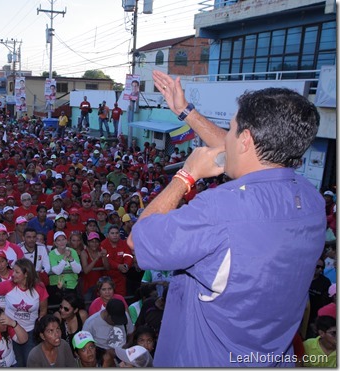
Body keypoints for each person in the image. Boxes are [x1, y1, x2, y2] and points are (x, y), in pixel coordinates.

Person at [129, 70, 324, 366]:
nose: (226, 137)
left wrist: (186, 175)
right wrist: (185, 112)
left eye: (231, 129)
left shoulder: (219, 210)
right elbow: (248, 156)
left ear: (245, 139)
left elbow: (138, 239)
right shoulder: (312, 200)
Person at [0, 258, 48, 367]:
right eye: (13, 271)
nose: (12, 274)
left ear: (26, 274)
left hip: (31, 330)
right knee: (17, 362)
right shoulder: (9, 285)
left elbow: (43, 310)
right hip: (10, 330)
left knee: (30, 362)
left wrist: (39, 326)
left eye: (17, 272)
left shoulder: (39, 288)